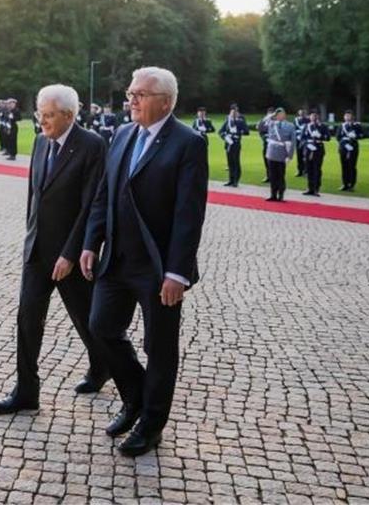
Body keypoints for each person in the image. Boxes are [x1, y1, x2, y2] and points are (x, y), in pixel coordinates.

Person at [80, 66, 208, 457]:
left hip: (158, 269)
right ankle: (135, 397)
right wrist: (90, 243)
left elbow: (189, 215)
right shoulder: (120, 134)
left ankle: (151, 425)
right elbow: (105, 194)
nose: (131, 99)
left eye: (141, 94)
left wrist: (177, 272)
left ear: (165, 101)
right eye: (131, 93)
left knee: (160, 348)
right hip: (116, 260)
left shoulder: (189, 144)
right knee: (101, 327)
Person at [0, 84, 110, 415]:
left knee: (86, 319)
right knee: (28, 318)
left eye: (47, 115)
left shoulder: (92, 145)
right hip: (38, 251)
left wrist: (71, 253)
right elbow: (35, 196)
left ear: (69, 116)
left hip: (68, 255)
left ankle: (102, 365)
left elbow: (90, 205)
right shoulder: (40, 141)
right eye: (38, 113)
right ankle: (26, 391)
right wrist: (30, 237)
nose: (41, 121)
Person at [265, 108, 296, 201]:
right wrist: (272, 114)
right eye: (277, 115)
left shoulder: (290, 126)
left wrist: (290, 156)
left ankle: (281, 195)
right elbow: (263, 122)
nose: (279, 116)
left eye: (281, 114)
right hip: (272, 152)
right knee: (272, 175)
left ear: (284, 115)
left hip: (282, 152)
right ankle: (273, 194)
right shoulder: (272, 123)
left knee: (281, 175)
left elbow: (293, 141)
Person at [218, 104, 249, 187]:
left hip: (236, 143)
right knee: (230, 162)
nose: (234, 113)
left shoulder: (240, 121)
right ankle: (231, 180)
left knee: (236, 162)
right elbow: (220, 131)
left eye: (235, 111)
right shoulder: (227, 121)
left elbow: (246, 131)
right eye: (232, 112)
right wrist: (225, 137)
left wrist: (238, 132)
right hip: (228, 143)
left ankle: (236, 180)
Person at [301, 110, 330, 196]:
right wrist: (307, 144)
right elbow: (302, 138)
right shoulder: (307, 126)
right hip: (309, 149)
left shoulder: (322, 126)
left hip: (318, 148)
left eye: (315, 116)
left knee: (317, 169)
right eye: (311, 116)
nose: (313, 117)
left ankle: (316, 188)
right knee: (308, 169)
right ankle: (309, 188)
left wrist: (320, 136)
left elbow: (328, 137)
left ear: (318, 116)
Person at [336, 110, 365, 191]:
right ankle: (344, 183)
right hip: (344, 147)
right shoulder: (342, 126)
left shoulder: (357, 125)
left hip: (353, 147)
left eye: (349, 115)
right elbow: (338, 137)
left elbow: (363, 135)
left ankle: (351, 184)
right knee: (344, 166)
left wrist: (355, 136)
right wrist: (344, 144)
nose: (347, 117)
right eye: (346, 115)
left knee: (352, 166)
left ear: (352, 116)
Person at [257, 107, 274, 183]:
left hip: (274, 145)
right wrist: (264, 137)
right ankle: (268, 176)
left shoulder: (276, 122)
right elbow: (260, 130)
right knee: (266, 161)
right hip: (266, 144)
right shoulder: (264, 121)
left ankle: (274, 176)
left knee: (273, 162)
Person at [294, 108, 310, 177]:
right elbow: (294, 129)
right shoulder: (296, 120)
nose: (302, 113)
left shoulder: (308, 120)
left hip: (305, 140)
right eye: (300, 112)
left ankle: (306, 171)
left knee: (306, 156)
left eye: (303, 112)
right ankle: (299, 170)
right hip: (298, 139)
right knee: (299, 155)